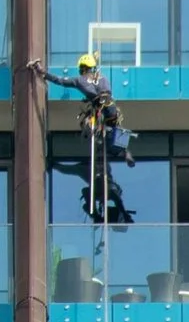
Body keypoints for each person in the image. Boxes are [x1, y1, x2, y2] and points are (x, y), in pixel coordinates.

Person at [33, 52, 136, 224]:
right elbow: (106, 93)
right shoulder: (102, 78)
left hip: (97, 111)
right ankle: (125, 152)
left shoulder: (79, 80)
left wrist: (41, 72)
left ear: (82, 68)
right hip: (110, 108)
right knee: (115, 135)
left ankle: (96, 216)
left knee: (94, 129)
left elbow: (60, 81)